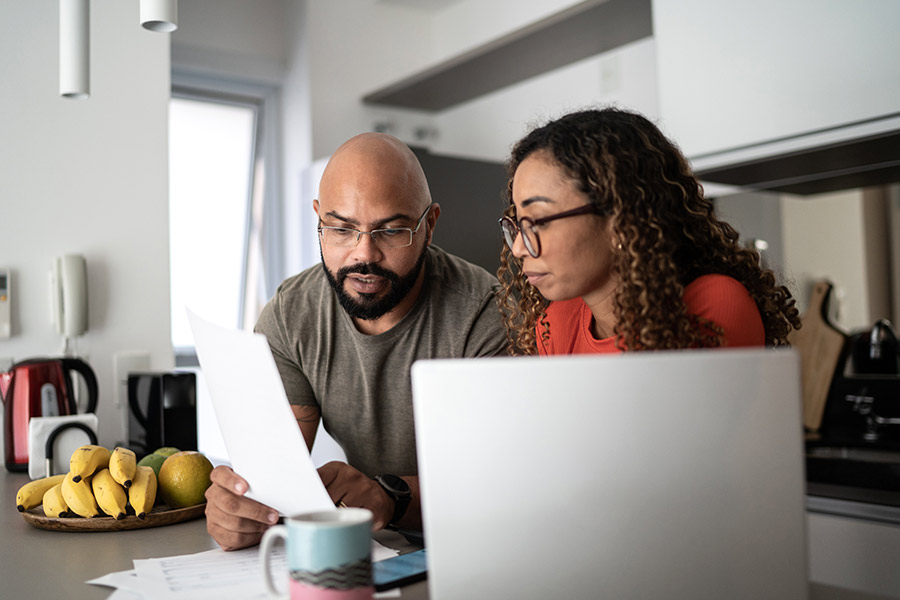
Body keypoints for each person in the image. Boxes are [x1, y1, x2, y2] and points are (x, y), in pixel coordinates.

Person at [206, 133, 507, 550]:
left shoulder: (484, 314)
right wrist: (241, 509)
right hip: (376, 549)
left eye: (390, 230)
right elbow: (272, 475)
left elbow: (498, 479)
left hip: (483, 541)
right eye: (342, 229)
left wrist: (389, 496)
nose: (364, 255)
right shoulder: (291, 316)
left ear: (430, 225)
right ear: (318, 219)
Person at [496, 108, 801, 355]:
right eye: (517, 224)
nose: (520, 248)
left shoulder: (712, 305)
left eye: (539, 221)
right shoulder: (557, 323)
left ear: (619, 220)